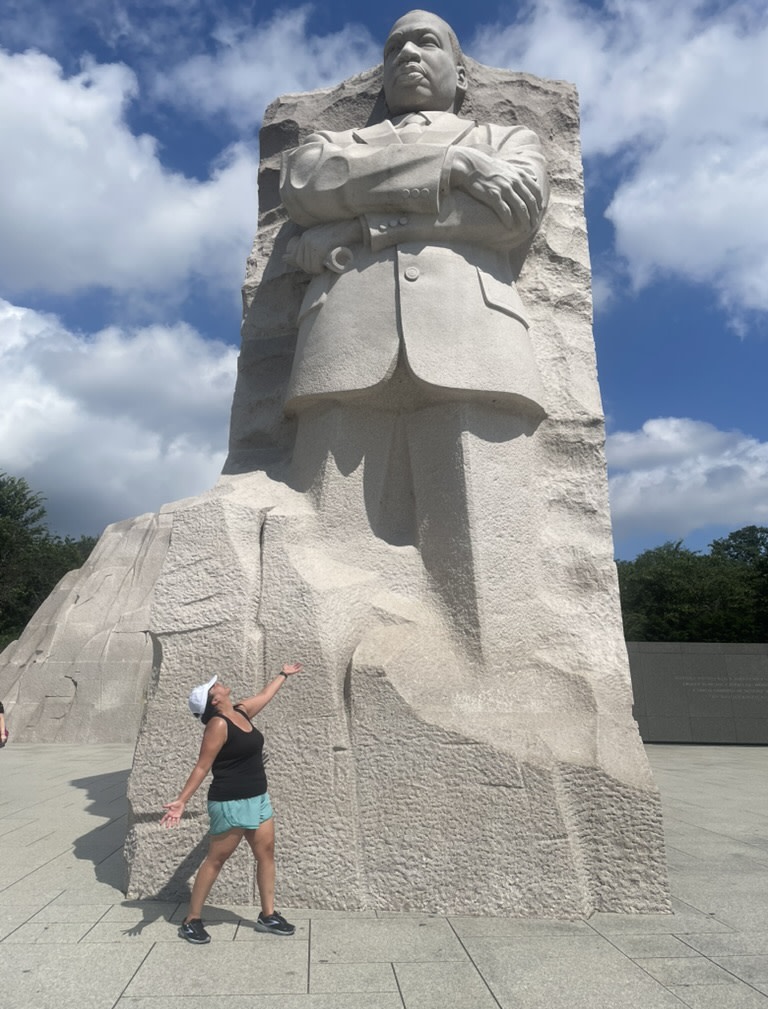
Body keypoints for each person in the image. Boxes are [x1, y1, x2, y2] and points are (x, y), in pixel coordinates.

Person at [278, 9, 549, 646]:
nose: (408, 53)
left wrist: (363, 226)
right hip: (344, 342)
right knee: (324, 550)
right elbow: (308, 187)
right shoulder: (333, 145)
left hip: (474, 342)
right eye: (395, 45)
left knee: (490, 558)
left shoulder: (506, 139)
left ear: (461, 72)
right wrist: (454, 170)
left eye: (427, 42)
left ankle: (500, 682)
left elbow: (509, 219)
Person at [161, 663, 302, 944]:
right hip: (230, 801)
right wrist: (182, 801)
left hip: (258, 798)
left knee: (266, 854)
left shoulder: (240, 711)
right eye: (213, 687)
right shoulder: (218, 725)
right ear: (214, 701)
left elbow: (265, 695)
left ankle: (268, 915)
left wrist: (283, 674)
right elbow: (202, 766)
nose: (219, 684)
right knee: (216, 860)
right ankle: (191, 920)